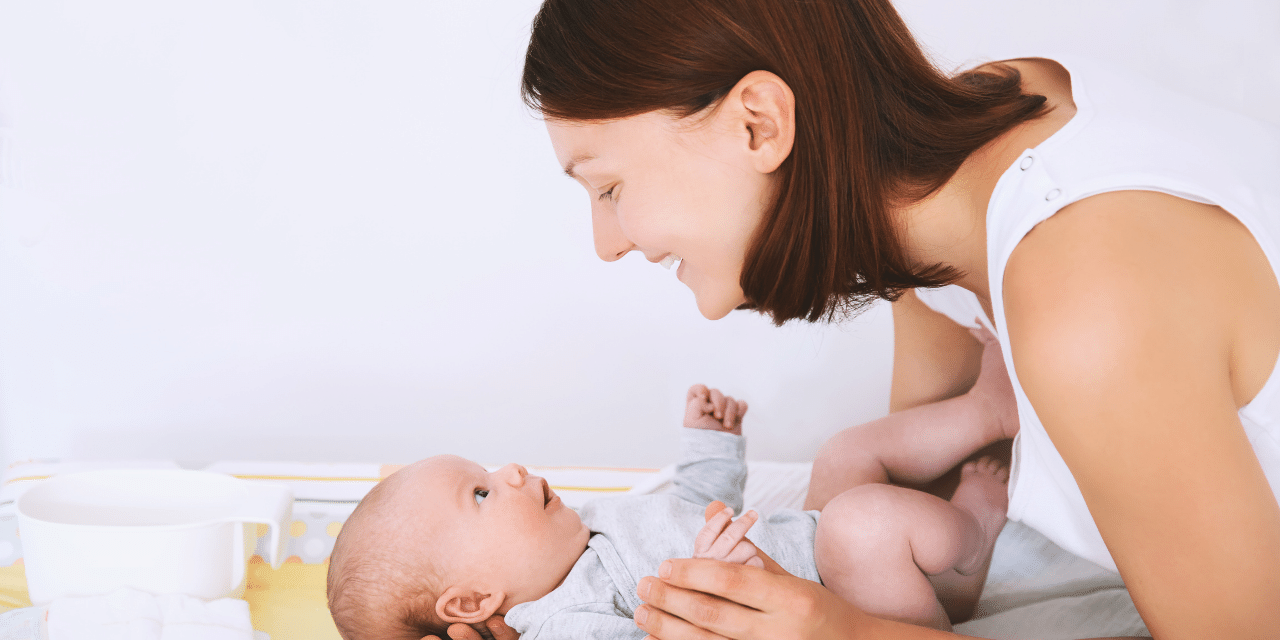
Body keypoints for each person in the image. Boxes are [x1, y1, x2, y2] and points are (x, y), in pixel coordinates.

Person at [507, 1, 1280, 639]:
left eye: (607, 188)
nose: (607, 246)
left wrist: (838, 632)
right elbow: (922, 525)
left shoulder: (1088, 308)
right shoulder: (964, 170)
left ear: (759, 124)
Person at [329, 351, 1019, 639]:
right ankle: (969, 551)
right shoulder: (570, 622)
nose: (509, 471)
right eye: (479, 495)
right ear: (475, 603)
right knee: (861, 522)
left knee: (845, 453)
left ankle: (991, 412)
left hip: (807, 543)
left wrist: (711, 444)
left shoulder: (584, 528)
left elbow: (696, 505)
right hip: (847, 607)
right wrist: (720, 581)